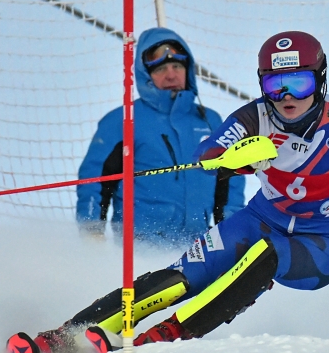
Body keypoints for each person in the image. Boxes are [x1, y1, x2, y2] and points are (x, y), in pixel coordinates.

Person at [7, 30, 329, 353]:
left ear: (320, 80)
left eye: (298, 83)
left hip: (322, 245)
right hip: (260, 218)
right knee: (184, 273)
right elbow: (207, 155)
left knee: (264, 256)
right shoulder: (254, 115)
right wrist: (237, 158)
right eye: (276, 86)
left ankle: (166, 336)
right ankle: (64, 335)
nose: (287, 98)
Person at [75, 27, 245, 247]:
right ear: (146, 75)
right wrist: (91, 232)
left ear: (188, 70)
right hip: (139, 250)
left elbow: (231, 180)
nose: (171, 74)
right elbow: (95, 178)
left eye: (176, 66)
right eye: (161, 69)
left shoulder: (210, 121)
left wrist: (231, 231)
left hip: (198, 251)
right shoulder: (124, 120)